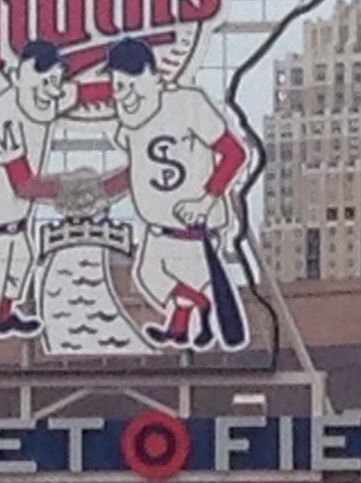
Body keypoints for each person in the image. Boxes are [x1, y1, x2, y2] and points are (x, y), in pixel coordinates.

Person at [0, 40, 104, 341]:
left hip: (11, 219)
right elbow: (24, 184)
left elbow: (85, 93)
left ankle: (5, 315)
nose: (53, 89)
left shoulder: (43, 97)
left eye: (56, 80)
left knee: (18, 261)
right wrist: (79, 186)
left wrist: (144, 88)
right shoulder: (1, 118)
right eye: (46, 80)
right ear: (19, 77)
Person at [100, 37, 250, 350]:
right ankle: (190, 317)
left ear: (151, 76)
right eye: (117, 85)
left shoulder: (188, 103)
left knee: (172, 277)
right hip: (158, 229)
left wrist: (205, 200)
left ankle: (194, 314)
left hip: (194, 229)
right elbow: (138, 172)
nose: (122, 94)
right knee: (146, 276)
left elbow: (234, 153)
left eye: (129, 84)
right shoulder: (129, 123)